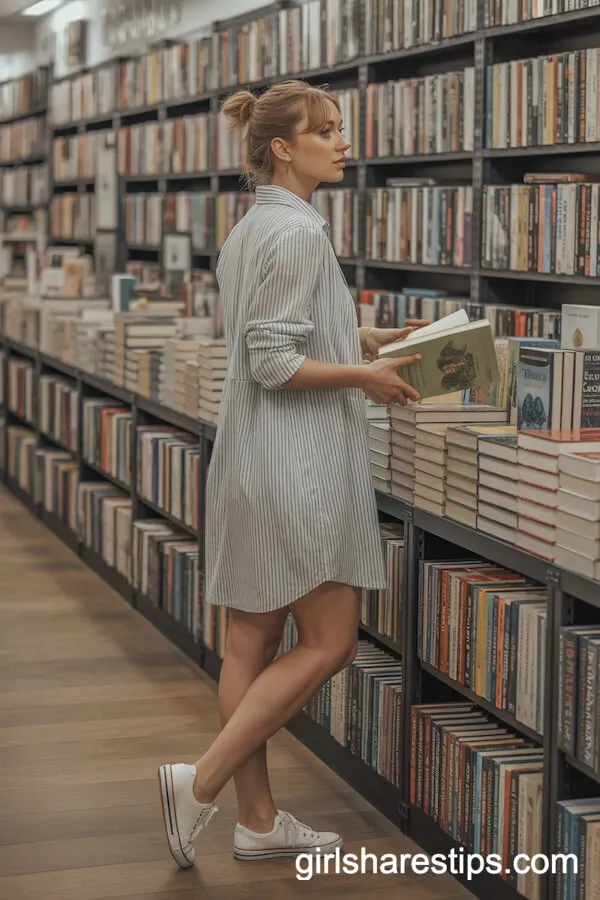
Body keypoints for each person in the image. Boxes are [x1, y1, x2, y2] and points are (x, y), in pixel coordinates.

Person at [158, 79, 426, 870]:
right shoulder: (300, 232)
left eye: (340, 128)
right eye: (327, 131)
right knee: (332, 642)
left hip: (252, 458)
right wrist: (363, 378)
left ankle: (258, 820)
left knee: (250, 642)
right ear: (282, 148)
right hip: (297, 465)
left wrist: (363, 338)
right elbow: (272, 360)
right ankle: (201, 781)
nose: (343, 143)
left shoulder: (253, 228)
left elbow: (274, 329)